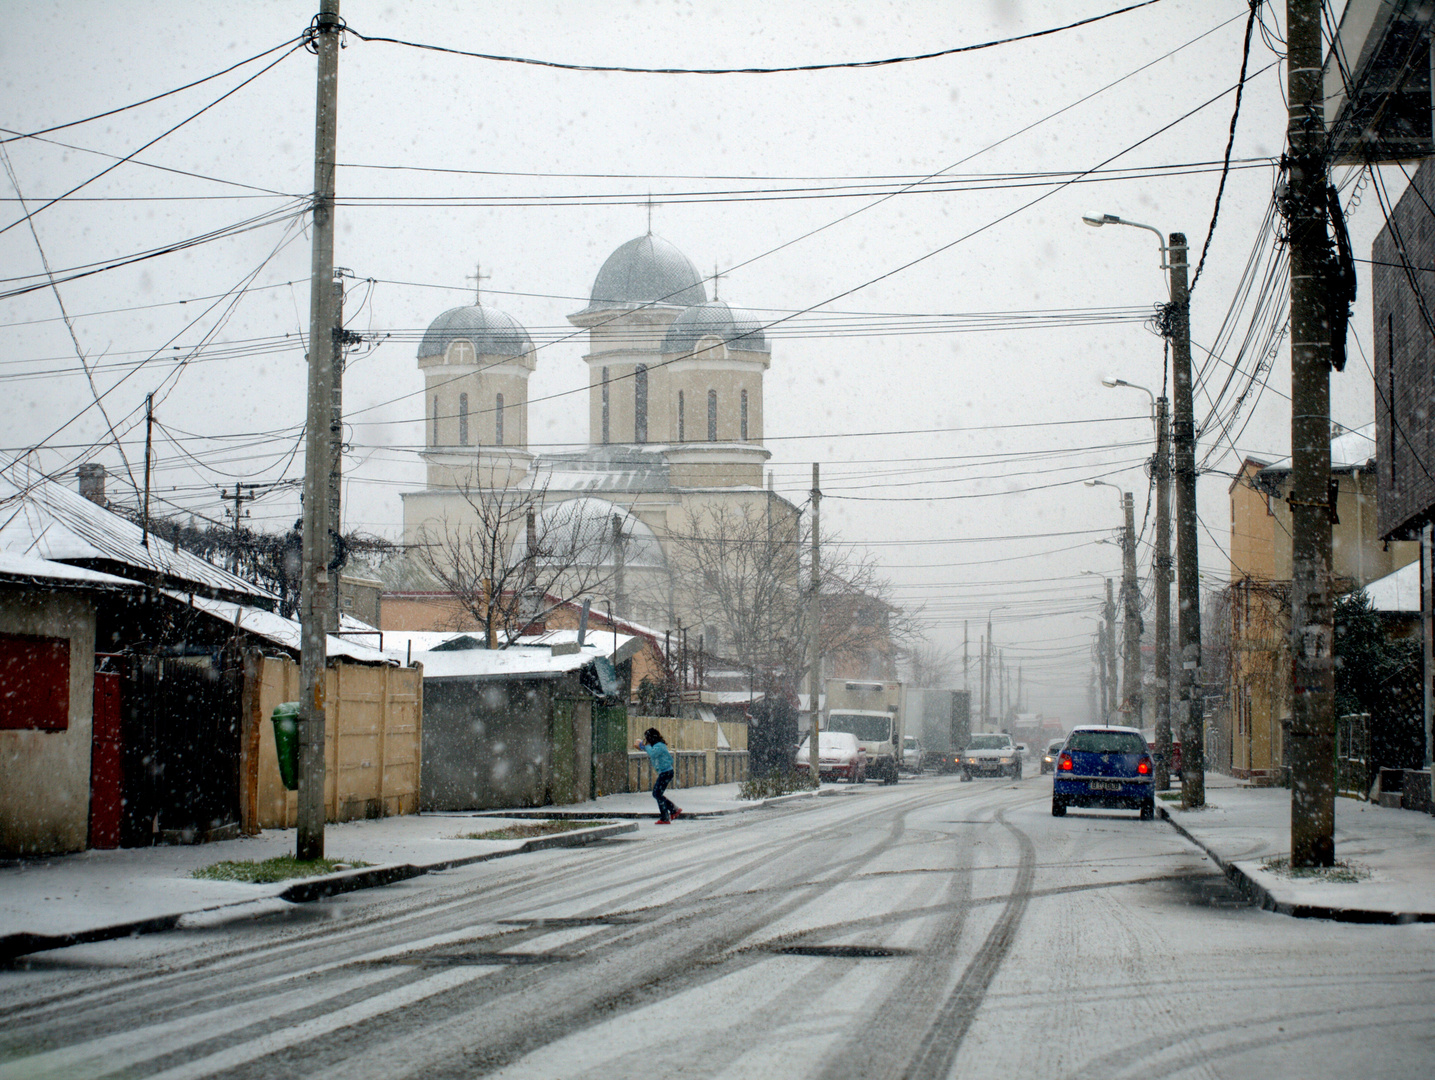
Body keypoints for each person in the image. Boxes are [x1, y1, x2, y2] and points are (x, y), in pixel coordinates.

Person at [636, 727, 682, 824]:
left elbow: (653, 754)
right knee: (657, 793)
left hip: (666, 772)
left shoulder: (660, 746)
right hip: (665, 772)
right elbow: (652, 752)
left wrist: (646, 746)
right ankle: (672, 810)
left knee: (657, 793)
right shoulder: (657, 746)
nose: (646, 740)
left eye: (647, 738)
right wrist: (643, 747)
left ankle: (667, 815)